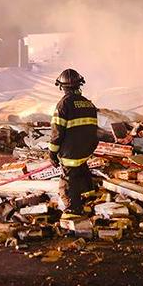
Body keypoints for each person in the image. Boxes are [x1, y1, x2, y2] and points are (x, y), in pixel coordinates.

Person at [48, 68, 99, 217]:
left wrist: (52, 153)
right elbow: (94, 130)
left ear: (62, 87)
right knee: (81, 170)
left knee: (69, 180)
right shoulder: (88, 104)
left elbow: (57, 132)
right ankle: (89, 199)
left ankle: (74, 210)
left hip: (71, 152)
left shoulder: (63, 105)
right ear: (79, 84)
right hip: (86, 150)